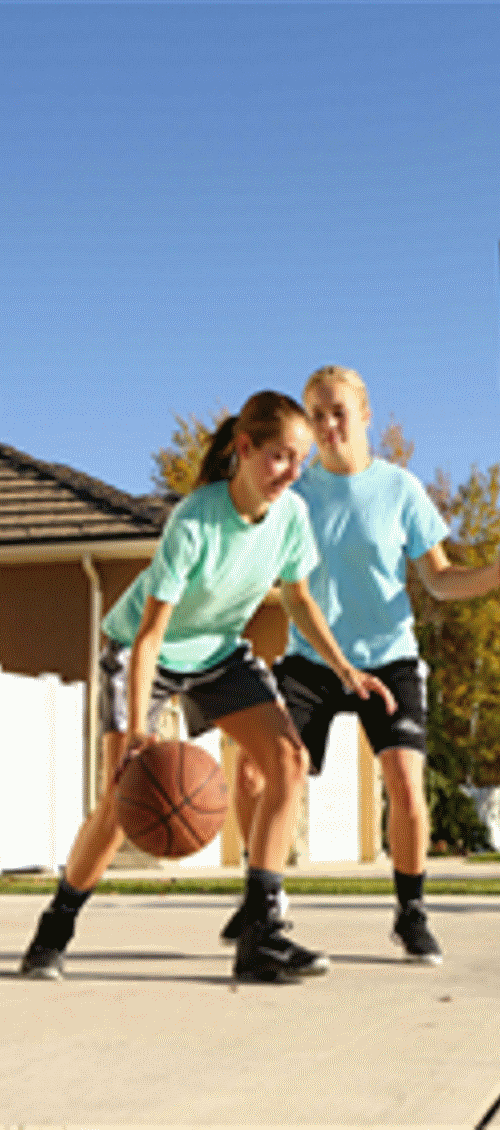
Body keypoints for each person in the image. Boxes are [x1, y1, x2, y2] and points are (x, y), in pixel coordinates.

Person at [19, 391, 395, 983]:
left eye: (300, 460)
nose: (291, 473)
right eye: (278, 457)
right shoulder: (195, 519)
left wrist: (345, 668)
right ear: (244, 449)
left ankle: (261, 934)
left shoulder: (291, 517)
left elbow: (298, 599)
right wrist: (138, 734)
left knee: (289, 762)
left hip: (217, 652)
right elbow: (149, 638)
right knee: (121, 800)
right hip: (143, 652)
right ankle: (54, 929)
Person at [222, 365, 500, 963]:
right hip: (314, 660)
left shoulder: (400, 490)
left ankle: (411, 913)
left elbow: (440, 579)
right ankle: (264, 895)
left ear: (366, 415)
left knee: (404, 782)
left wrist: (494, 575)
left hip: (390, 657)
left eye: (338, 412)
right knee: (252, 773)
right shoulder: (295, 493)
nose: (328, 425)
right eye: (316, 415)